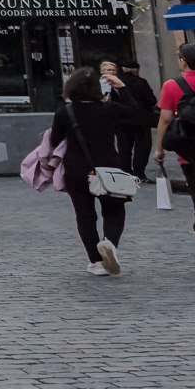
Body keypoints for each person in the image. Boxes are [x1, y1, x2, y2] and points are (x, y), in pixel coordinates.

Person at [53, 66, 152, 275]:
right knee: (114, 211)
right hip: (109, 167)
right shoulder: (110, 109)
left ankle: (96, 262)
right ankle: (110, 244)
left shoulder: (65, 112)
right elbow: (139, 114)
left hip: (76, 169)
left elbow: (55, 141)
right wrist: (123, 89)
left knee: (85, 216)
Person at [150, 42, 195, 233]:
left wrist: (159, 149)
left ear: (184, 60)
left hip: (189, 151)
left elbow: (165, 119)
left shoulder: (173, 85)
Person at [108, 60, 156, 180]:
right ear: (136, 70)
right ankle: (139, 172)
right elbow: (151, 100)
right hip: (141, 120)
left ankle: (125, 171)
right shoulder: (141, 82)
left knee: (124, 147)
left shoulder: (115, 83)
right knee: (142, 147)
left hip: (121, 120)